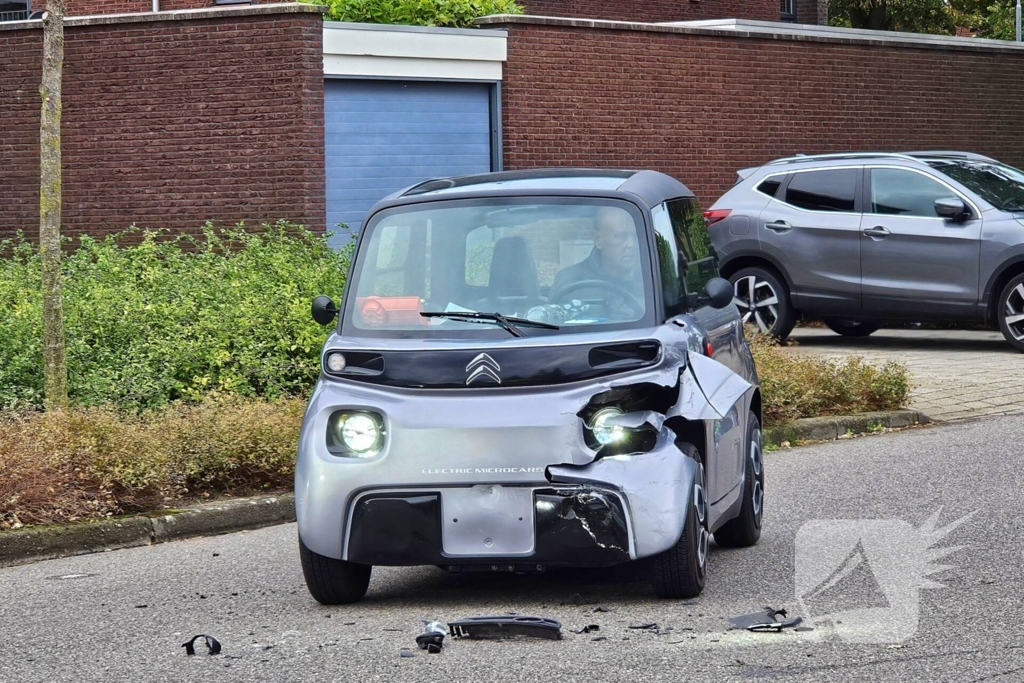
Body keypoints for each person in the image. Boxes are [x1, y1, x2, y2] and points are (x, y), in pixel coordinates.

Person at [550, 206, 645, 319]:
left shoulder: (655, 279)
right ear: (598, 239)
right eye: (620, 236)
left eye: (636, 236)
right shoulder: (570, 281)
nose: (632, 244)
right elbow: (552, 324)